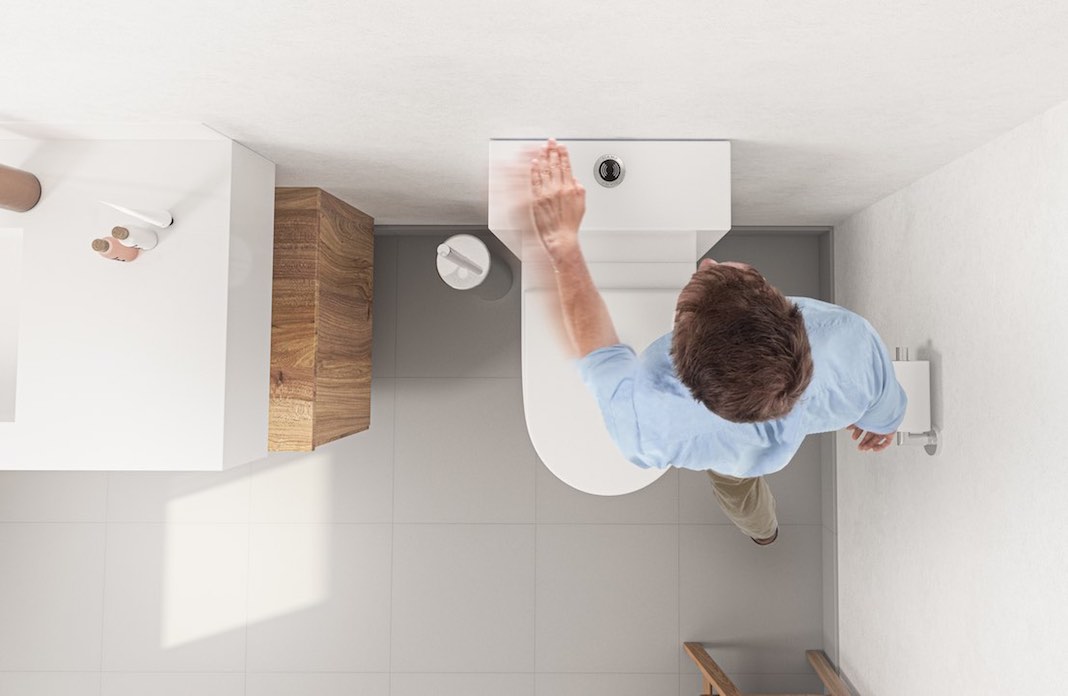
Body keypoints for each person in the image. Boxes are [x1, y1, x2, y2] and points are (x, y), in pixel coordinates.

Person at [528, 138, 907, 546]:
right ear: (781, 306)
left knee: (740, 494)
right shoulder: (853, 344)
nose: (707, 261)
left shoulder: (647, 427)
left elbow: (595, 344)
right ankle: (764, 533)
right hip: (764, 452)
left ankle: (763, 532)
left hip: (732, 458)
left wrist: (563, 247)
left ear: (679, 358)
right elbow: (883, 415)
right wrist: (881, 426)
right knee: (743, 492)